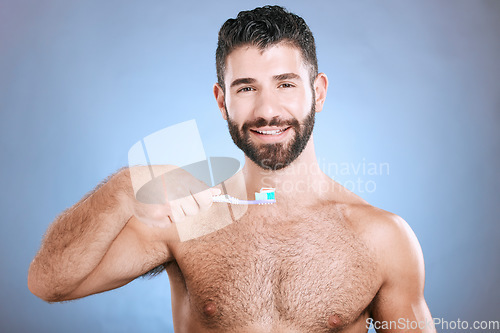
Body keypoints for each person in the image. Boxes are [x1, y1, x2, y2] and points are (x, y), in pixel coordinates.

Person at [28, 5, 435, 332]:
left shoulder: (382, 238)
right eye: (246, 88)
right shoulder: (187, 218)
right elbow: (49, 283)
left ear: (319, 92)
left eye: (286, 84)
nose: (268, 110)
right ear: (222, 101)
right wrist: (124, 185)